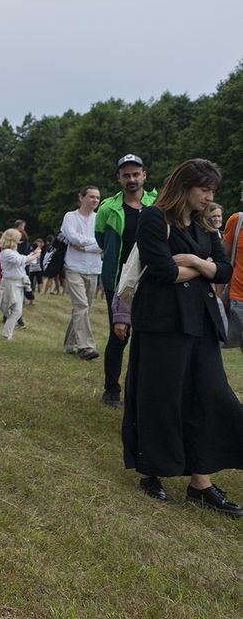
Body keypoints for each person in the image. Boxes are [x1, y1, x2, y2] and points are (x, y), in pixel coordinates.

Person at [122, 159, 243, 515]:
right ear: (185, 186)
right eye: (204, 190)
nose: (209, 197)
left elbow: (224, 269)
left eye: (213, 192)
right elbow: (160, 271)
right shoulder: (154, 218)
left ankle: (200, 485)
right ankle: (151, 473)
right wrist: (203, 268)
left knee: (211, 396)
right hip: (161, 321)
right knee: (159, 398)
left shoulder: (205, 224)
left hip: (200, 321)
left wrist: (192, 260)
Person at [96, 154, 157, 408]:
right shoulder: (108, 208)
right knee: (119, 334)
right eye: (126, 175)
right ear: (119, 178)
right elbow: (101, 239)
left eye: (136, 174)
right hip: (119, 279)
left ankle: (145, 390)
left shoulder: (158, 204)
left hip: (153, 277)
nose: (131, 179)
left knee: (151, 334)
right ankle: (112, 390)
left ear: (144, 175)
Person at [60, 185, 103, 360]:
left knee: (84, 308)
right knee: (81, 306)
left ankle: (69, 345)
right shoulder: (70, 217)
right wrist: (94, 245)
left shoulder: (100, 218)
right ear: (81, 198)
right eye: (92, 197)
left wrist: (85, 247)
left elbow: (104, 242)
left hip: (93, 268)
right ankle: (86, 346)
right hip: (73, 267)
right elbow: (72, 237)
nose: (95, 200)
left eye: (97, 198)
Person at [0, 228, 39, 340]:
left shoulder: (11, 252)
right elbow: (22, 260)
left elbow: (22, 261)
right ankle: (7, 334)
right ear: (12, 240)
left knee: (16, 311)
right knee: (13, 310)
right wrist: (36, 255)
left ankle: (7, 334)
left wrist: (32, 254)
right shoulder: (6, 253)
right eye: (17, 240)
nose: (18, 243)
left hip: (18, 283)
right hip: (11, 283)